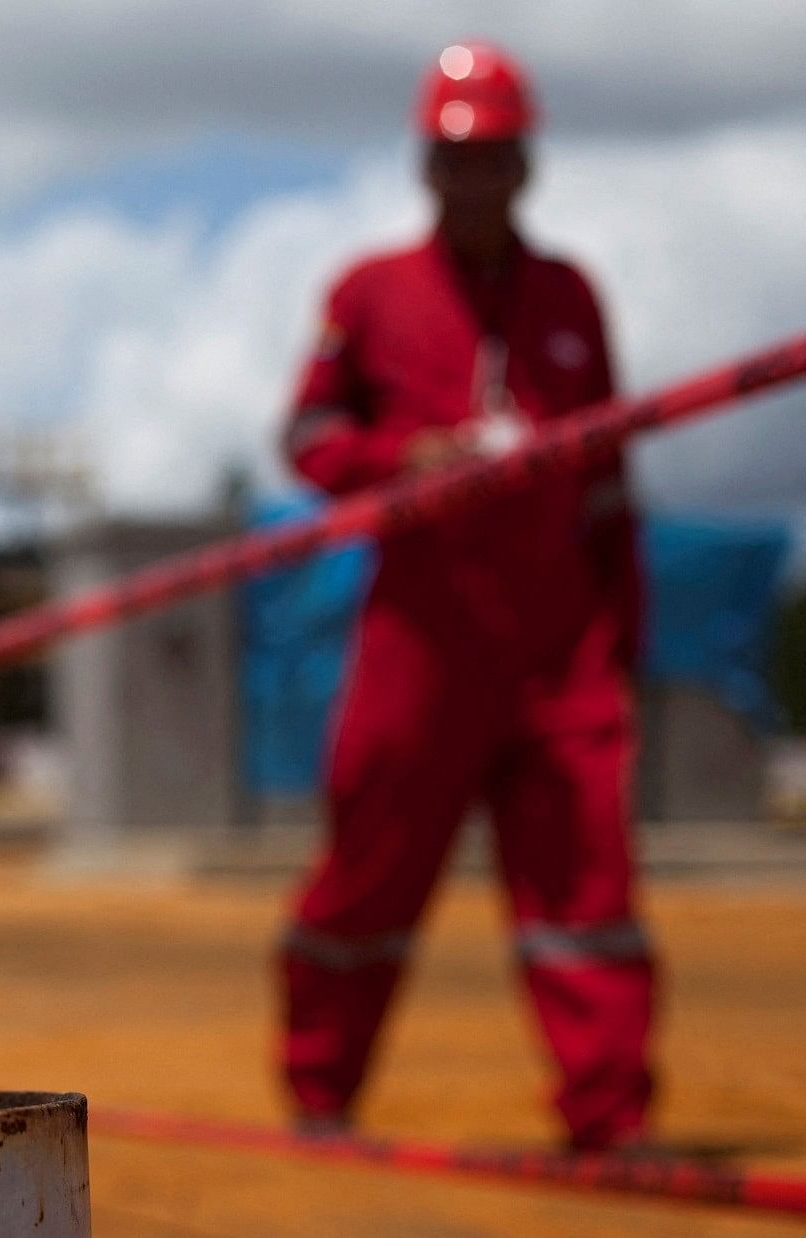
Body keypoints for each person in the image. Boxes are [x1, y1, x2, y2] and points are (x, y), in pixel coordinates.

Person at [277, 41, 653, 1152]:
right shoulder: (369, 295)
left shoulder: (570, 296)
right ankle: (320, 1096)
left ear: (524, 166)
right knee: (365, 881)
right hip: (419, 649)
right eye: (453, 157)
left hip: (559, 651)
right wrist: (408, 460)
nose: (473, 178)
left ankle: (609, 1119)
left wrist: (619, 634)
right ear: (423, 169)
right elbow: (305, 437)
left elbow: (609, 486)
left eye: (492, 156)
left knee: (587, 890)